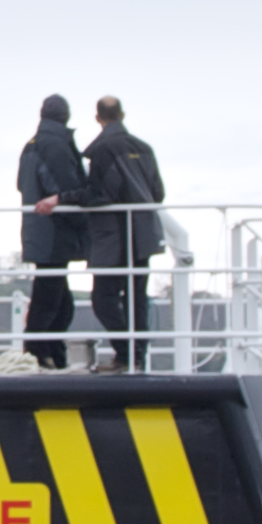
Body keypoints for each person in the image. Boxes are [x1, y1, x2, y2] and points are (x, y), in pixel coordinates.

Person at [76, 97, 166, 371]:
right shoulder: (144, 149)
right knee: (137, 298)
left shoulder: (103, 149)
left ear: (97, 118)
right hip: (143, 236)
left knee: (103, 298)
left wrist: (65, 198)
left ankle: (126, 352)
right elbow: (158, 193)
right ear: (122, 115)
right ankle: (137, 356)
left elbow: (101, 194)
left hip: (113, 239)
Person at [14, 96, 90, 368]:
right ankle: (38, 354)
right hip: (56, 232)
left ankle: (51, 356)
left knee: (58, 301)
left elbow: (23, 185)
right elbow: (68, 186)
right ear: (65, 117)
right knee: (50, 301)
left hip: (39, 230)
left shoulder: (32, 145)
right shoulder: (56, 145)